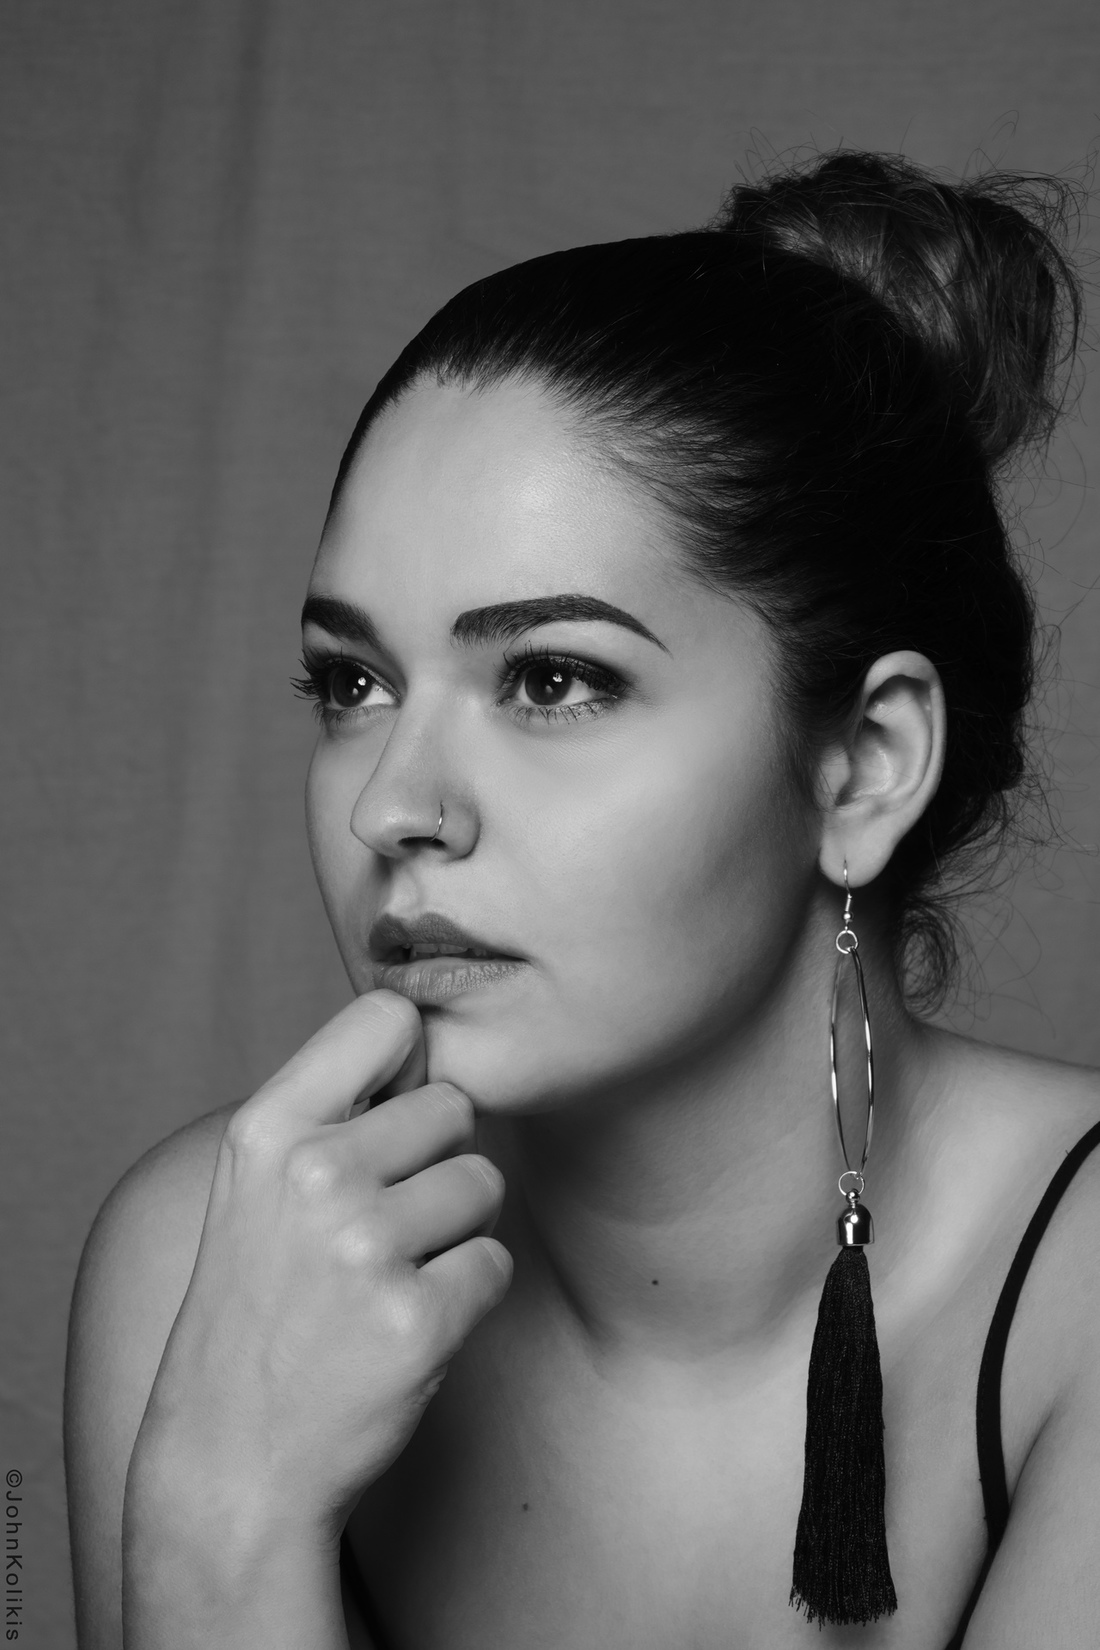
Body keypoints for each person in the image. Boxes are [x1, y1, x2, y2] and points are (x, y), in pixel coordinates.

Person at [64, 149, 1098, 1650]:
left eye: (552, 678)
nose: (390, 805)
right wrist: (223, 1516)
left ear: (864, 768)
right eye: (352, 681)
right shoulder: (210, 1266)